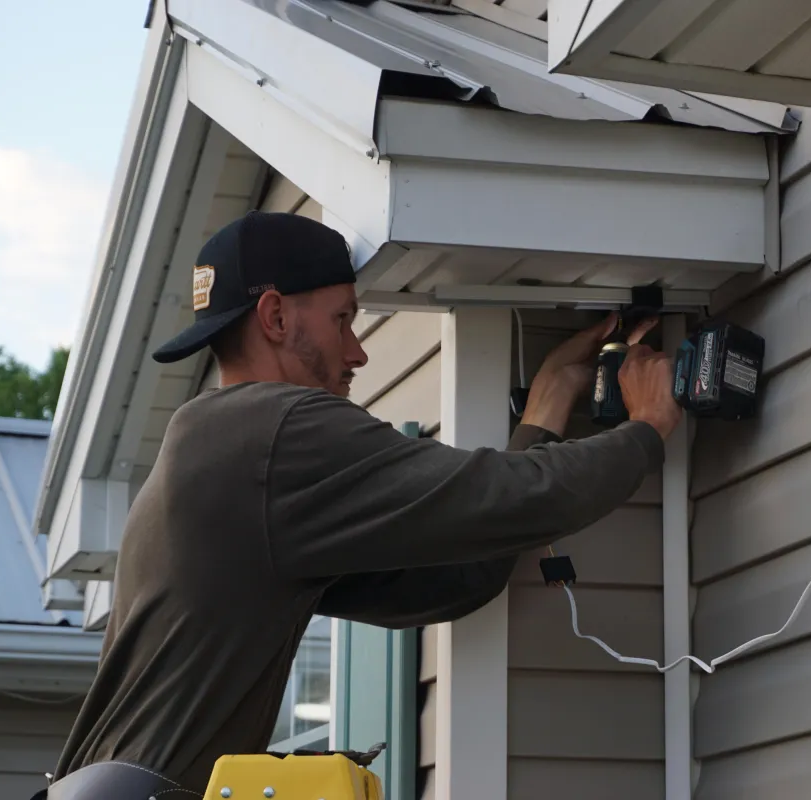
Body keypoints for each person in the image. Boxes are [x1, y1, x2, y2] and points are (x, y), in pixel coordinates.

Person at [41, 211, 682, 799]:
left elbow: (455, 579)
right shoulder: (278, 430)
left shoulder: (229, 457)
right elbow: (515, 497)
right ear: (275, 317)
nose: (359, 351)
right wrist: (648, 427)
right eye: (343, 320)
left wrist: (546, 406)